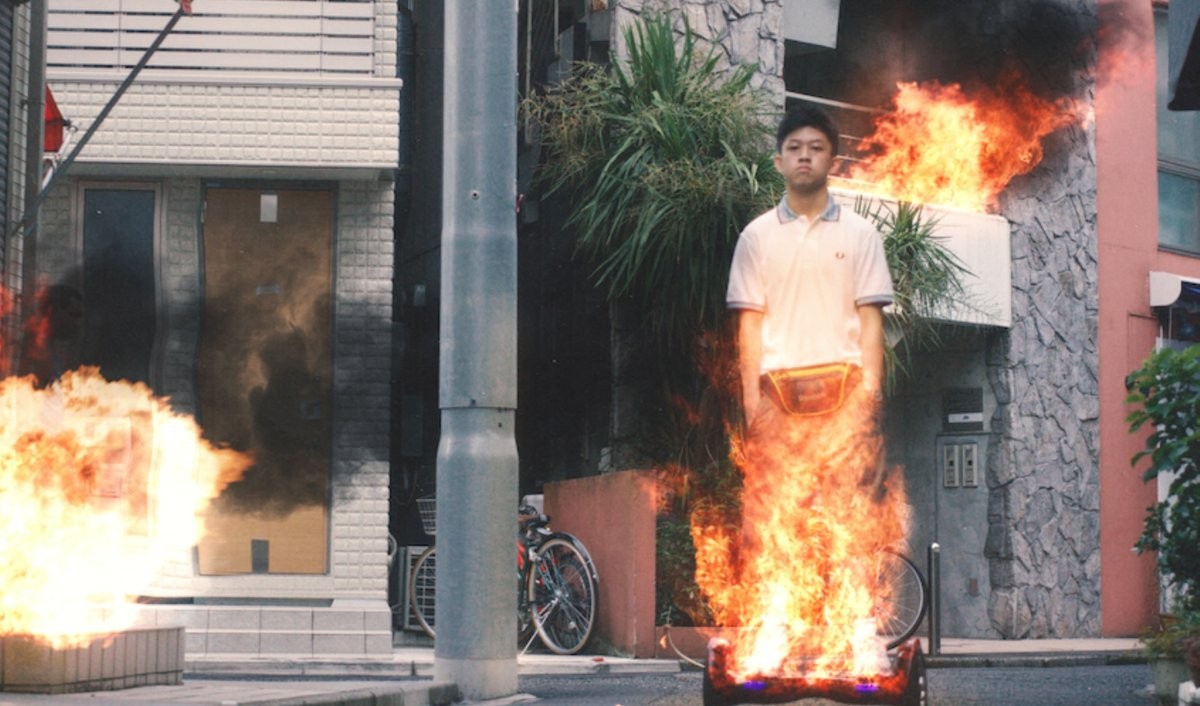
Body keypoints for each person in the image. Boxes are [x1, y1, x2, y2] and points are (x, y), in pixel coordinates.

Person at [726, 105, 893, 444]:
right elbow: (750, 325)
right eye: (794, 147)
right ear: (779, 161)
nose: (804, 156)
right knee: (778, 482)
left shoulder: (861, 234)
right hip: (775, 392)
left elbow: (871, 319)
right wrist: (752, 401)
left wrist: (870, 391)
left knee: (848, 482)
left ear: (833, 163)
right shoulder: (756, 237)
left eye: (816, 148)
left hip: (847, 392)